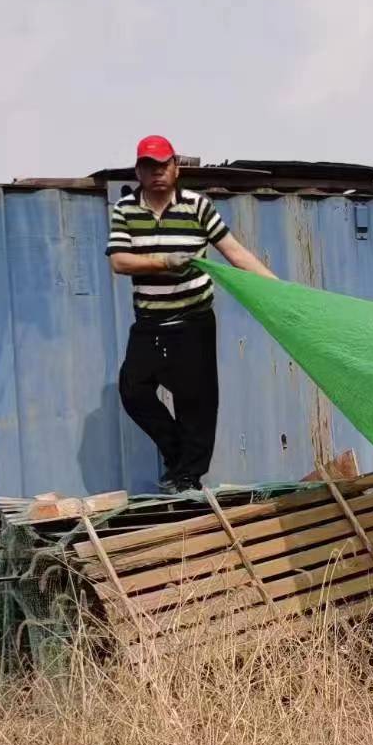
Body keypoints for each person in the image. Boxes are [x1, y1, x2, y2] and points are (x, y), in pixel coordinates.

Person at [105, 134, 279, 493]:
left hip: (192, 321)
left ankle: (187, 476)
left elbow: (234, 252)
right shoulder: (126, 209)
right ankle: (178, 458)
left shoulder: (197, 207)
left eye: (163, 165)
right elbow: (119, 261)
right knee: (133, 390)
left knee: (197, 403)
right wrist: (163, 262)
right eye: (149, 166)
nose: (157, 173)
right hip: (151, 322)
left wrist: (278, 288)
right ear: (138, 171)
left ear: (176, 168)